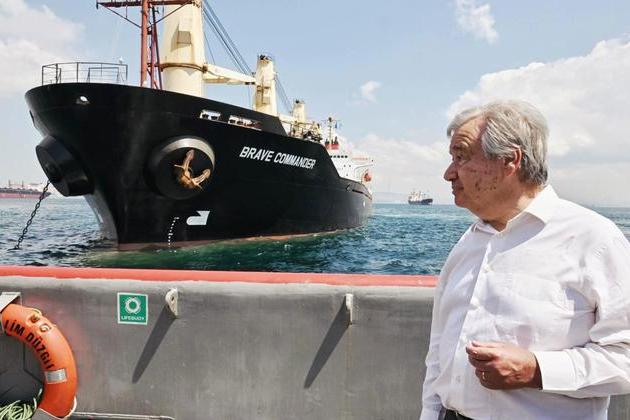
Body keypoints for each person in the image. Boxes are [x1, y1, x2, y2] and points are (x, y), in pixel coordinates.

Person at [420, 100, 630, 420]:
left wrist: (537, 369)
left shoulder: (594, 240)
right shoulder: (468, 243)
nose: (449, 173)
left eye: (461, 157)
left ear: (509, 160)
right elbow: (438, 352)